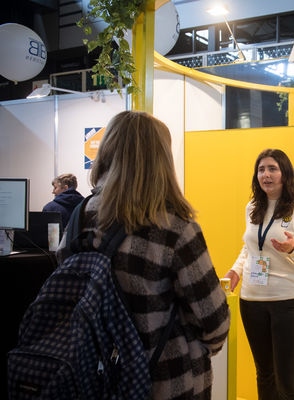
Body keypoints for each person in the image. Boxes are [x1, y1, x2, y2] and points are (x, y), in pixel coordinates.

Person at [56, 111, 230, 399]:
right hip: (165, 381)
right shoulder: (176, 229)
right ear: (162, 160)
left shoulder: (79, 218)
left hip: (91, 380)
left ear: (107, 152)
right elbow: (215, 322)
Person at [224, 149, 294, 400]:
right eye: (261, 170)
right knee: (265, 376)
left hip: (290, 304)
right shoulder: (252, 207)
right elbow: (250, 247)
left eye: (272, 169)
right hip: (252, 301)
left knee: (289, 384)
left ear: (285, 174)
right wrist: (236, 270)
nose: (266, 175)